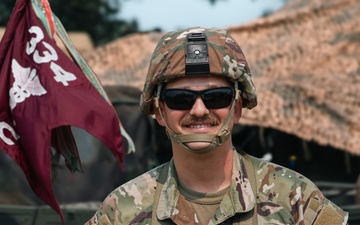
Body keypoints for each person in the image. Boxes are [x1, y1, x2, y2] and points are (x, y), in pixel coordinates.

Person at [85, 27, 348, 225]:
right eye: (180, 99)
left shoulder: (294, 197)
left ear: (237, 108)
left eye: (216, 97)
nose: (199, 110)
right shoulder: (122, 209)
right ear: (159, 112)